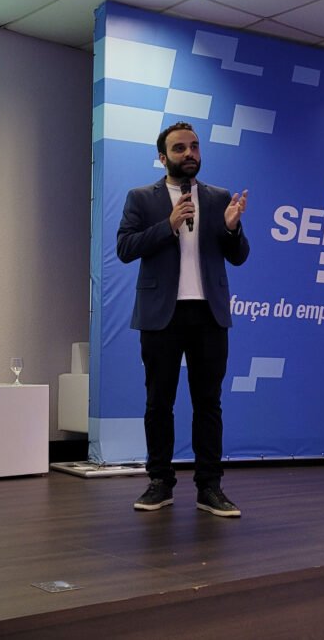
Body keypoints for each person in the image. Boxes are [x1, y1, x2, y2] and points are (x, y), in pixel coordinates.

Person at [116, 121, 249, 518]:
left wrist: (232, 228)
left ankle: (210, 487)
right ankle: (160, 482)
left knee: (208, 403)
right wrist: (168, 225)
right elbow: (125, 248)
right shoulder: (142, 198)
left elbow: (238, 256)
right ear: (163, 157)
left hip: (209, 313)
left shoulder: (219, 197)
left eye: (194, 146)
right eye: (179, 148)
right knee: (159, 402)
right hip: (162, 315)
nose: (189, 153)